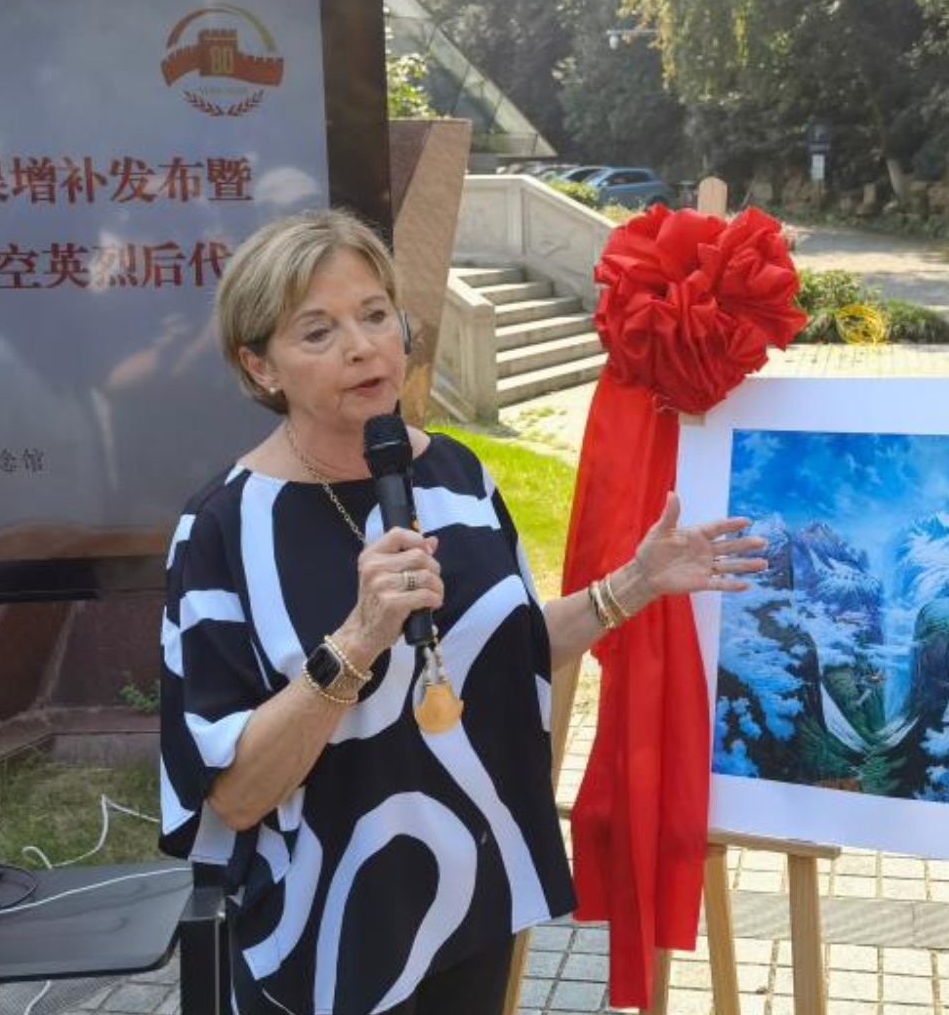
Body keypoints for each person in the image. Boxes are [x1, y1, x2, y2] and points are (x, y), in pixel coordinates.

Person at [159, 211, 765, 1015]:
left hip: (471, 897)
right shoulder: (223, 531)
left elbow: (504, 653)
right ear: (258, 364)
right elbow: (232, 796)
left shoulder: (456, 474)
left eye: (375, 315)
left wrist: (635, 584)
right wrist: (358, 638)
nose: (363, 346)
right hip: (323, 931)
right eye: (318, 332)